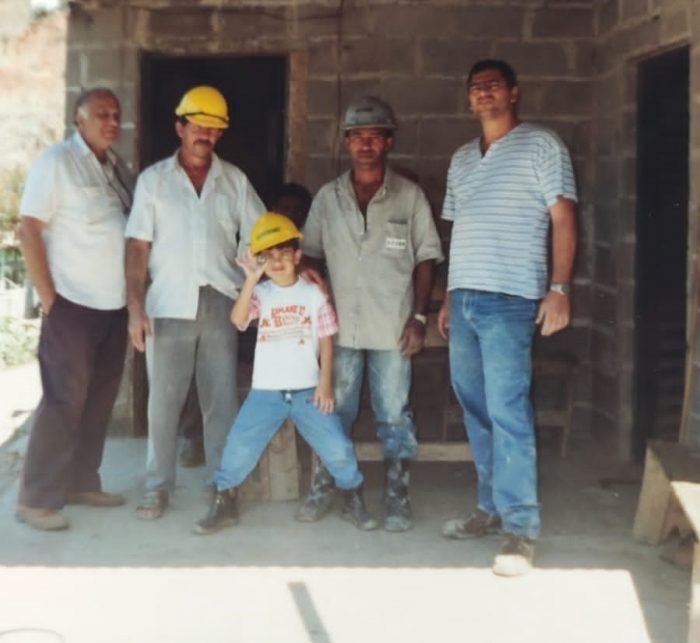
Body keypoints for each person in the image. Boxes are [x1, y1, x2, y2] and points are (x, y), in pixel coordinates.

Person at [438, 59, 577, 576]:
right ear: (468, 99)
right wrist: (449, 297)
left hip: (511, 297)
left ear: (513, 93)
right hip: (465, 299)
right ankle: (490, 507)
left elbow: (564, 218)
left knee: (508, 410)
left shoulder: (542, 145)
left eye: (493, 85)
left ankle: (521, 530)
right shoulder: (461, 159)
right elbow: (459, 231)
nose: (484, 93)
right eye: (476, 88)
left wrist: (558, 289)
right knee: (475, 407)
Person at [297, 96, 444, 532]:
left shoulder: (409, 197)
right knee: (334, 410)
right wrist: (309, 275)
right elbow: (309, 253)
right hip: (339, 329)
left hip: (392, 327)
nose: (365, 145)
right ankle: (326, 487)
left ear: (389, 142)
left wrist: (419, 318)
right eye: (357, 137)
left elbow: (427, 258)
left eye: (374, 137)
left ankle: (397, 496)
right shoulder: (328, 198)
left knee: (393, 414)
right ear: (346, 142)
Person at [125, 85, 265, 519]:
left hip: (221, 302)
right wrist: (134, 307)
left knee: (220, 402)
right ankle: (157, 486)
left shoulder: (234, 181)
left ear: (220, 133)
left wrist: (262, 274)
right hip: (168, 303)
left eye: (214, 127)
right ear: (179, 127)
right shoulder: (154, 181)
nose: (205, 134)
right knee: (163, 404)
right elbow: (137, 247)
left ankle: (223, 485)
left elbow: (262, 234)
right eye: (198, 125)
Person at [194, 213, 376, 534]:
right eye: (268, 256)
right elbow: (237, 320)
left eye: (283, 253)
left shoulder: (313, 294)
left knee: (337, 446)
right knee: (239, 445)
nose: (277, 262)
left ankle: (352, 496)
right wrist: (251, 279)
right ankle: (225, 501)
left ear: (297, 255)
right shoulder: (261, 293)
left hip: (307, 391)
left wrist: (325, 384)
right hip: (266, 391)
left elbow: (327, 338)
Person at [16, 87, 133, 531]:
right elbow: (28, 230)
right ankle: (36, 499)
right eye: (101, 114)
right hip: (73, 306)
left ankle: (81, 483)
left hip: (112, 306)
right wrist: (50, 299)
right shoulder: (56, 163)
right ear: (78, 120)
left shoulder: (112, 167)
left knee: (98, 401)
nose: (111, 121)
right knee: (64, 400)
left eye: (115, 114)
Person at [177, 181, 313, 468]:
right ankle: (194, 437)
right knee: (206, 370)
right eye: (285, 209)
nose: (291, 215)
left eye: (298, 212)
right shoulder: (257, 243)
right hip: (247, 333)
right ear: (272, 210)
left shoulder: (299, 251)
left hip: (286, 338)